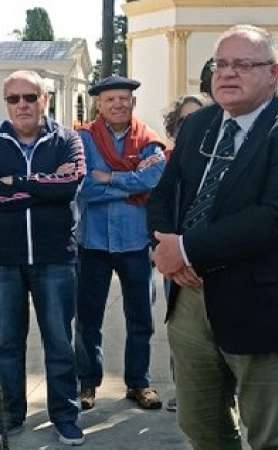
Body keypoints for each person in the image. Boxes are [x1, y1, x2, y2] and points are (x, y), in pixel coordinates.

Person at [147, 24, 278, 450]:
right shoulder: (198, 127)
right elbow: (165, 194)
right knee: (201, 428)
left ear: (274, 73)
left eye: (243, 64)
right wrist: (165, 246)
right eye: (221, 64)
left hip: (264, 305)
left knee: (269, 438)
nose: (228, 74)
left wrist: (188, 249)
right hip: (191, 302)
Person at [0, 70, 86, 445]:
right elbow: (54, 188)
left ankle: (65, 416)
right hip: (4, 260)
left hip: (55, 259)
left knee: (59, 342)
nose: (22, 105)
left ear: (45, 99)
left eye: (30, 97)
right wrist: (43, 187)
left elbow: (69, 187)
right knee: (5, 343)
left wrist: (14, 183)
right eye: (14, 99)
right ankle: (10, 414)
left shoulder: (67, 139)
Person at [75, 75, 166, 411]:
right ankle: (87, 383)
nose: (117, 105)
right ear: (100, 104)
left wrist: (110, 178)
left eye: (123, 99)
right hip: (93, 242)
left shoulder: (148, 140)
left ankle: (138, 383)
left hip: (135, 242)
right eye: (110, 99)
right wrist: (132, 184)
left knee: (141, 317)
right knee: (88, 319)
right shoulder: (83, 140)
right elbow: (82, 186)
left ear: (133, 103)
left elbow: (155, 177)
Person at [161, 94, 206, 413]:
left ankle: (221, 392)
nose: (191, 126)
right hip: (176, 262)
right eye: (184, 121)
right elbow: (158, 209)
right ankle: (184, 390)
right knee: (182, 332)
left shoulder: (228, 162)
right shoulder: (167, 162)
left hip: (214, 258)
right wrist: (171, 255)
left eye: (198, 119)